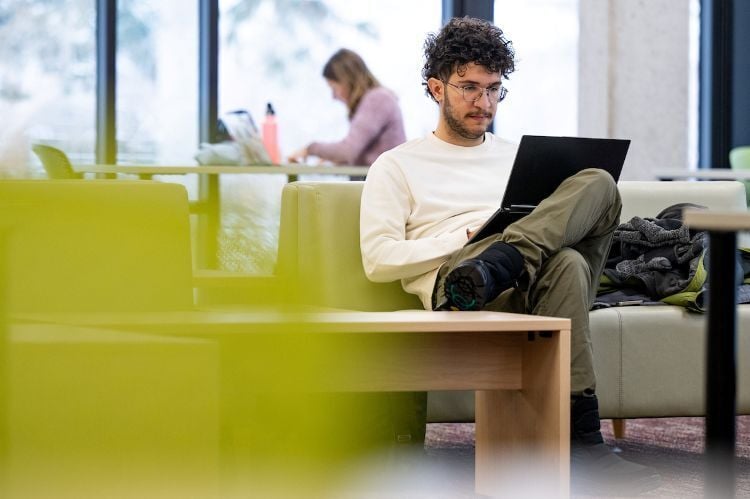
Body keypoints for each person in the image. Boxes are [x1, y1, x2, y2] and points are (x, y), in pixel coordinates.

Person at [359, 16, 661, 496]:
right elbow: (377, 259)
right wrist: (461, 240)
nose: (485, 103)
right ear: (436, 88)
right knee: (558, 261)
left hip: (526, 276)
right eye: (469, 88)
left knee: (594, 193)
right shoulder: (396, 165)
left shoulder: (517, 156)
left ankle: (579, 442)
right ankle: (500, 262)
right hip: (459, 285)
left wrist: (508, 248)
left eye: (495, 90)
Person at [287, 48, 406, 168]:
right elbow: (361, 155)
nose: (333, 96)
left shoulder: (377, 99)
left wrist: (310, 149)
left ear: (348, 81)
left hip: (382, 184)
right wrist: (335, 159)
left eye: (334, 88)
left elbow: (347, 151)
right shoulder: (376, 99)